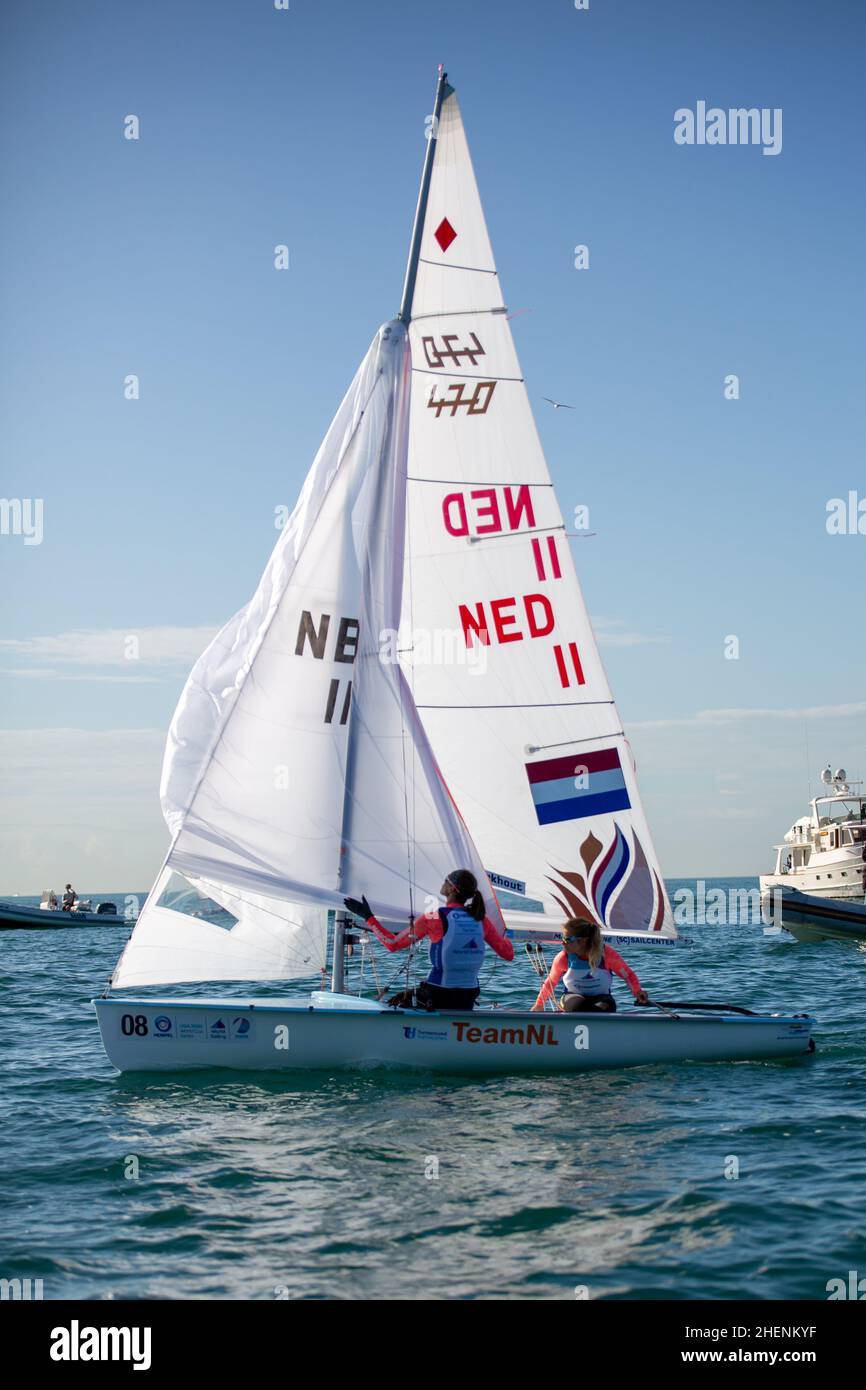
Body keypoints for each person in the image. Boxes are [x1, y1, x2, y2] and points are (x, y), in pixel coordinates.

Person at [344, 868, 514, 1012]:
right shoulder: (481, 919)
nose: (442, 883)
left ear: (452, 889)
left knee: (396, 1001)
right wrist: (505, 933)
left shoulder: (434, 917)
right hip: (468, 996)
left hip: (439, 993)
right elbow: (508, 954)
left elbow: (392, 944)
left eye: (446, 881)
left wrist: (367, 916)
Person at [531, 916, 649, 1013]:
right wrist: (539, 1005)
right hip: (573, 997)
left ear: (582, 941)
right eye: (562, 938)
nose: (562, 942)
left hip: (601, 998)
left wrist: (637, 992)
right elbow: (551, 982)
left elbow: (627, 975)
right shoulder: (563, 958)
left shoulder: (607, 955)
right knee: (578, 1007)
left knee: (607, 1006)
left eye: (567, 939)